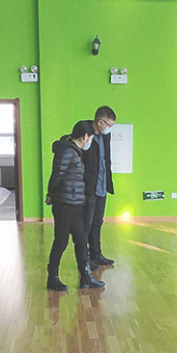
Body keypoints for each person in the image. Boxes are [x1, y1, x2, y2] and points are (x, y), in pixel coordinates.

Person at [46, 121, 105, 291]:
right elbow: (57, 175)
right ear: (85, 136)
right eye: (91, 138)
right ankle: (52, 277)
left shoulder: (75, 152)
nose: (90, 142)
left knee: (81, 241)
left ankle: (86, 277)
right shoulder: (66, 151)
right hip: (65, 205)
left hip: (76, 204)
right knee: (61, 241)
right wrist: (51, 194)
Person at [82, 106, 116, 270]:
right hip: (88, 187)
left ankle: (96, 254)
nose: (110, 128)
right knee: (85, 225)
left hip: (102, 185)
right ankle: (84, 259)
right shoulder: (85, 133)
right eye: (109, 124)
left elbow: (105, 160)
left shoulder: (105, 136)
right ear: (100, 122)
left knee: (97, 222)